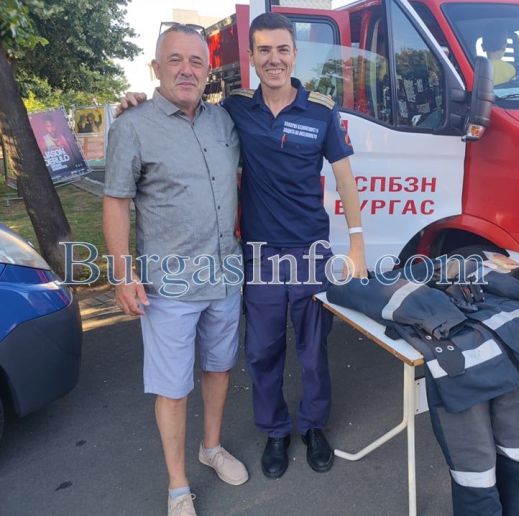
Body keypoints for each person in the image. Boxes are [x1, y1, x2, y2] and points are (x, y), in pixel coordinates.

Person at [118, 12, 368, 481]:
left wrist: (356, 244)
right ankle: (275, 431)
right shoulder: (234, 111)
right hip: (259, 256)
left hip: (310, 253)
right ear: (251, 57)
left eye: (282, 49)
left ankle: (313, 426)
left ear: (294, 54)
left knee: (314, 349)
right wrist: (136, 102)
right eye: (264, 50)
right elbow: (179, 109)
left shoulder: (320, 111)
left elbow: (345, 178)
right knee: (263, 350)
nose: (274, 59)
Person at [103, 24, 247, 516]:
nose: (187, 69)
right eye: (175, 60)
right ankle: (178, 487)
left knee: (219, 367)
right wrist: (123, 273)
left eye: (196, 61)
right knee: (172, 387)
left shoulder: (223, 121)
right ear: (156, 67)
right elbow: (116, 201)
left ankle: (211, 448)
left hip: (224, 276)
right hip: (168, 286)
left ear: (207, 71)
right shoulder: (132, 125)